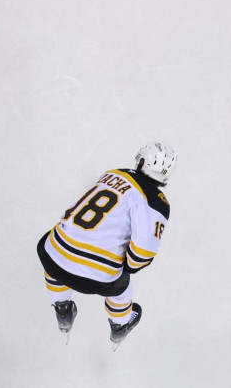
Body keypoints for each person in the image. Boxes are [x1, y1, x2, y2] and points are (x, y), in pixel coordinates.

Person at [36, 143, 176, 346]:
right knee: (122, 287)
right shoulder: (156, 201)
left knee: (57, 254)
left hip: (53, 254)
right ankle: (120, 325)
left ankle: (62, 310)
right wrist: (125, 268)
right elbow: (141, 254)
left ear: (142, 161)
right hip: (97, 277)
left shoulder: (112, 173)